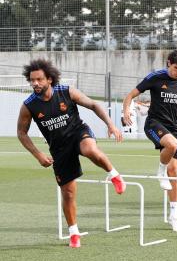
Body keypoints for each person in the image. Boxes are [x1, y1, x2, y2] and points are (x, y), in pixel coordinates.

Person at [17, 59, 126, 248]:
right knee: (67, 193)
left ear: (49, 79)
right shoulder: (29, 105)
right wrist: (38, 155)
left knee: (90, 149)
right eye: (32, 80)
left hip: (78, 133)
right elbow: (21, 133)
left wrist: (111, 124)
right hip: (58, 148)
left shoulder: (66, 92)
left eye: (39, 79)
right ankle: (74, 233)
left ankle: (114, 175)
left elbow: (93, 105)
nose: (35, 83)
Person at [122, 50, 177, 232]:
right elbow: (130, 95)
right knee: (172, 144)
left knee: (174, 172)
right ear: (169, 63)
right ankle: (160, 172)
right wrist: (126, 111)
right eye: (176, 68)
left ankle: (173, 216)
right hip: (153, 124)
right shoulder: (155, 77)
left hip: (173, 127)